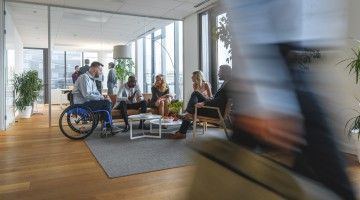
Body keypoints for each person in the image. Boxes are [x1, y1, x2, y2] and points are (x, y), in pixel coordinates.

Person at [221, 0, 355, 199]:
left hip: (300, 66)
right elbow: (247, 14)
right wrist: (263, 99)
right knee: (334, 180)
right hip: (274, 64)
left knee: (312, 175)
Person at [170, 65, 232, 139]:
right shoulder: (226, 83)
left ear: (225, 72)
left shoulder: (228, 85)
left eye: (220, 71)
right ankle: (183, 129)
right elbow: (218, 99)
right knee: (195, 95)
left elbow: (219, 101)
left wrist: (204, 103)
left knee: (192, 103)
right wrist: (206, 100)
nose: (218, 73)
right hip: (214, 108)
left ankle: (182, 130)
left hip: (215, 111)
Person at [72, 61, 120, 134]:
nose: (101, 73)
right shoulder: (84, 78)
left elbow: (96, 92)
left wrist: (104, 97)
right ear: (95, 69)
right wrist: (102, 98)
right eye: (100, 70)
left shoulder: (92, 79)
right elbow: (86, 95)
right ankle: (108, 125)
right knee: (106, 103)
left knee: (107, 102)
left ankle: (107, 125)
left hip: (88, 102)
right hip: (82, 104)